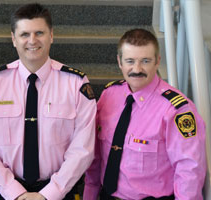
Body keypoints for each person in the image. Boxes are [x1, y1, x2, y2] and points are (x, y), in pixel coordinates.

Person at [0, 3, 96, 200]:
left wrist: (49, 194)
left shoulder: (76, 84)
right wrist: (14, 193)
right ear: (13, 39)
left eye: (39, 33)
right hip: (8, 192)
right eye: (24, 34)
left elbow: (83, 149)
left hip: (60, 193)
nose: (32, 40)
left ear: (51, 36)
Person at [83, 28, 206, 200]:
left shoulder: (177, 110)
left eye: (145, 61)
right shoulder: (109, 94)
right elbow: (96, 155)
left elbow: (189, 170)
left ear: (157, 61)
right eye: (130, 61)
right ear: (120, 62)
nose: (137, 69)